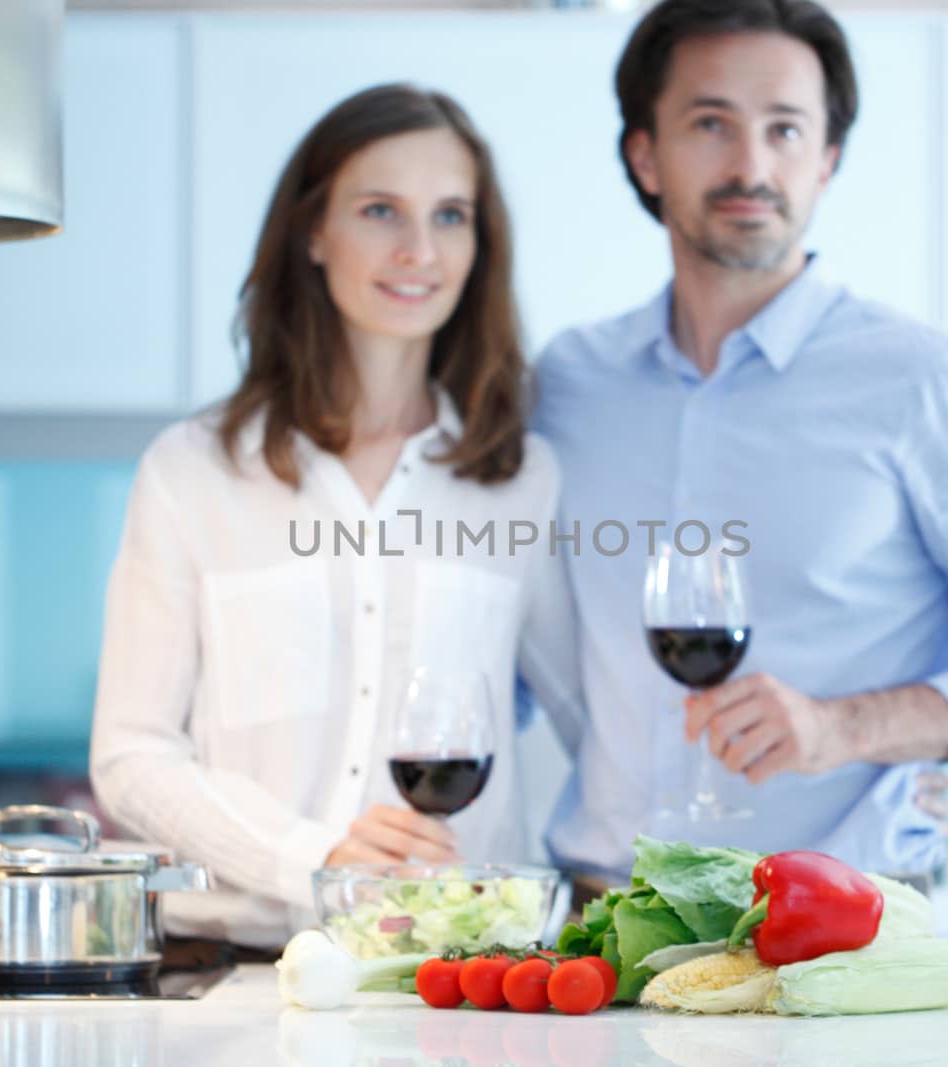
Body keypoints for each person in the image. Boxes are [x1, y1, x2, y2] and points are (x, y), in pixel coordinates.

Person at [534, 0, 948, 883]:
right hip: (597, 924)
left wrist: (844, 728)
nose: (751, 164)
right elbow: (493, 628)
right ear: (643, 154)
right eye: (710, 124)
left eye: (785, 129)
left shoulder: (924, 382)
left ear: (828, 159)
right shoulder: (570, 384)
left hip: (835, 935)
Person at [89, 84, 582, 953]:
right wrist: (313, 859)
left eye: (451, 215)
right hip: (230, 970)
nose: (419, 250)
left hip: (458, 976)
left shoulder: (521, 480)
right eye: (381, 210)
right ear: (314, 231)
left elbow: (602, 717)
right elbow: (130, 755)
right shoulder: (191, 471)